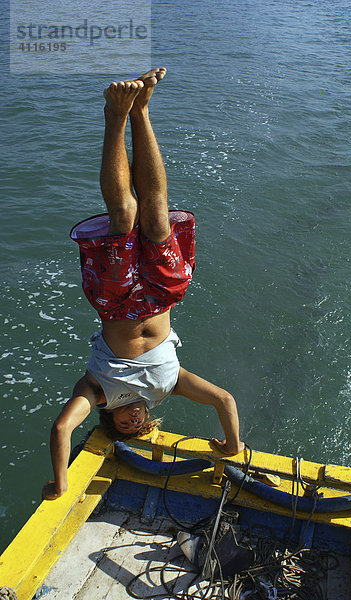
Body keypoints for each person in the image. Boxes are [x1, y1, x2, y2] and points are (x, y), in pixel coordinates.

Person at [42, 68, 244, 501]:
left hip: (116, 302)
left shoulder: (97, 392)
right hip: (164, 293)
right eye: (138, 427)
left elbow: (62, 428)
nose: (131, 423)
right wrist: (232, 446)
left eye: (123, 427)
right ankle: (143, 111)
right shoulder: (168, 386)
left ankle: (115, 117)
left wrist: (60, 483)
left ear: (110, 419)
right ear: (148, 420)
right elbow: (224, 401)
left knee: (123, 219)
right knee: (155, 215)